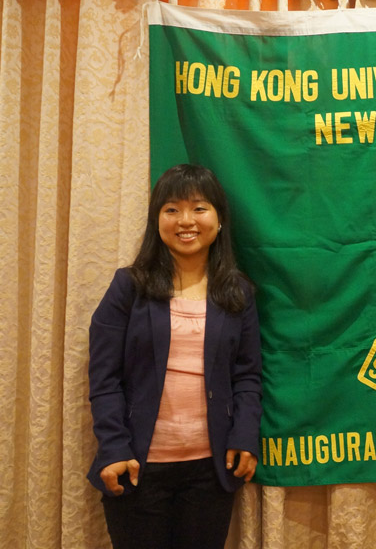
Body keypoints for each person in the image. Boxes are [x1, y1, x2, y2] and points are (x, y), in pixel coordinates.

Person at [87, 163, 263, 549]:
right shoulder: (128, 287)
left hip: (211, 470)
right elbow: (104, 379)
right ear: (157, 220)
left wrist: (245, 436)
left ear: (218, 220)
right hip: (137, 467)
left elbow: (247, 376)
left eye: (199, 208)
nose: (186, 220)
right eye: (172, 209)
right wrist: (113, 446)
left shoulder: (238, 293)